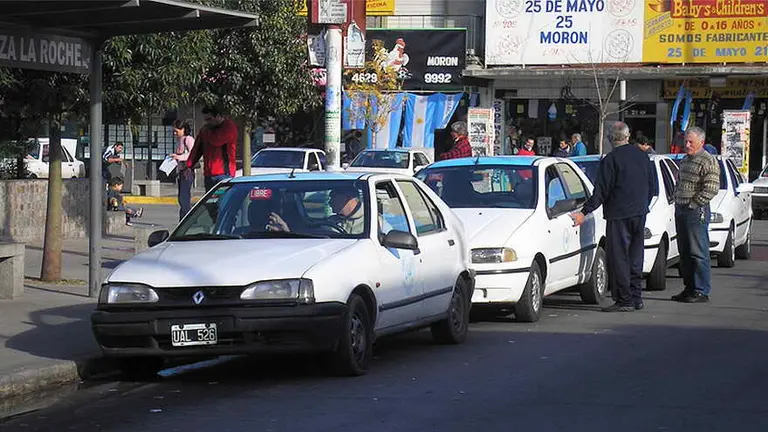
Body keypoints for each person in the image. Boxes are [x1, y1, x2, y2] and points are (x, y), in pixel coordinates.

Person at [571, 122, 656, 312]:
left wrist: (584, 212)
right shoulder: (643, 156)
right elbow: (652, 186)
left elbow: (601, 192)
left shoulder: (610, 160)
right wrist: (643, 204)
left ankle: (625, 299)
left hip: (619, 215)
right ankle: (636, 297)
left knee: (619, 257)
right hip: (639, 212)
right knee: (636, 256)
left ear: (610, 139)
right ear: (628, 136)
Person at [672, 126, 720, 303]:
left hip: (696, 211)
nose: (687, 145)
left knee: (698, 252)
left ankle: (701, 290)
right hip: (681, 209)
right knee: (684, 252)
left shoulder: (707, 160)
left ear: (701, 142)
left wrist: (694, 204)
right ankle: (689, 287)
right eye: (686, 141)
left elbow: (711, 188)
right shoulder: (686, 159)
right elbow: (680, 183)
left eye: (691, 142)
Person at [267, 187, 364, 235]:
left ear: (348, 197)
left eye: (333, 196)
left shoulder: (370, 222)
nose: (329, 201)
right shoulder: (331, 222)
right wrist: (287, 231)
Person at [186, 105, 238, 192]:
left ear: (218, 116)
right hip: (209, 173)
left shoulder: (229, 126)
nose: (207, 122)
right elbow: (197, 149)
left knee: (222, 198)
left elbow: (217, 141)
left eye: (209, 119)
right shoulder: (206, 130)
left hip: (224, 173)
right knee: (210, 199)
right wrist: (189, 165)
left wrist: (206, 132)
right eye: (206, 120)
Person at [170, 120, 196, 220]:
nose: (175, 133)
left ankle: (187, 219)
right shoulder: (179, 140)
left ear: (183, 129)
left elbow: (193, 154)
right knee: (181, 199)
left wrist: (179, 157)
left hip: (187, 172)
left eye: (176, 131)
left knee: (184, 199)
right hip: (181, 172)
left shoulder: (188, 139)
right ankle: (183, 220)